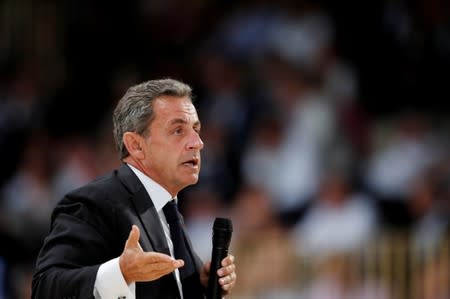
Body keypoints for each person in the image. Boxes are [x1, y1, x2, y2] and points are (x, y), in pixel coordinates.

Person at [31, 78, 237, 298]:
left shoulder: (169, 211)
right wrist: (120, 272)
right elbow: (46, 288)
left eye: (196, 129)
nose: (197, 142)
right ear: (136, 145)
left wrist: (200, 286)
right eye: (178, 130)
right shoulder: (94, 203)